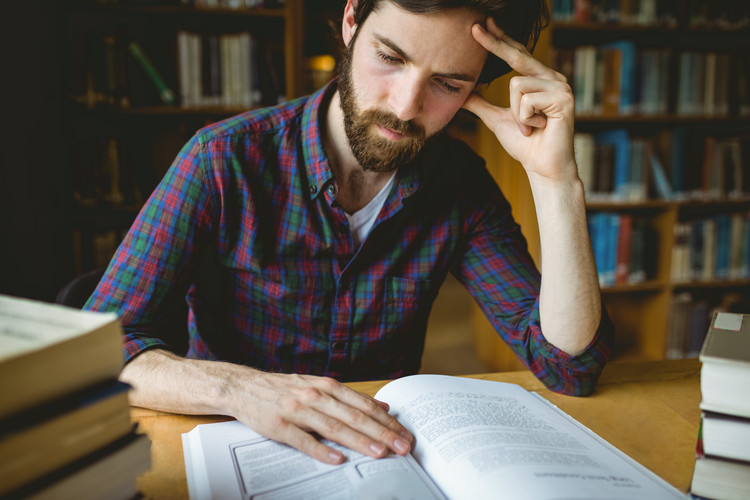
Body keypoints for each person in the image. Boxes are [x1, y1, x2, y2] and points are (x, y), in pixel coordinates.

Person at [85, 0, 614, 465]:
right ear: (351, 20)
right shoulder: (223, 159)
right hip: (235, 448)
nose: (405, 106)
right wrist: (244, 389)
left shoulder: (460, 185)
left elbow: (568, 366)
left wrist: (556, 180)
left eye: (448, 84)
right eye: (390, 57)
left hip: (380, 461)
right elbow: (96, 354)